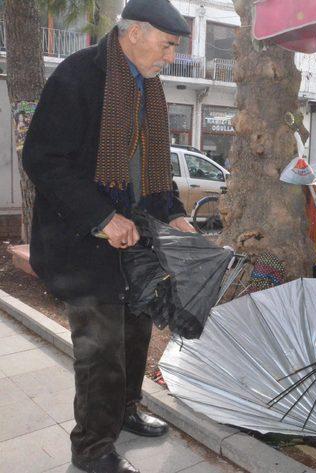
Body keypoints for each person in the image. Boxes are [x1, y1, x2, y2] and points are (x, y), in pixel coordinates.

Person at [22, 2, 194, 472]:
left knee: (136, 334)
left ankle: (126, 411)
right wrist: (102, 217)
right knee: (100, 353)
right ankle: (92, 447)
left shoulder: (147, 88)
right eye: (168, 44)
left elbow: (151, 169)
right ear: (136, 33)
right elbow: (42, 159)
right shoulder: (79, 76)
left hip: (137, 240)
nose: (171, 56)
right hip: (85, 242)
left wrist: (174, 213)